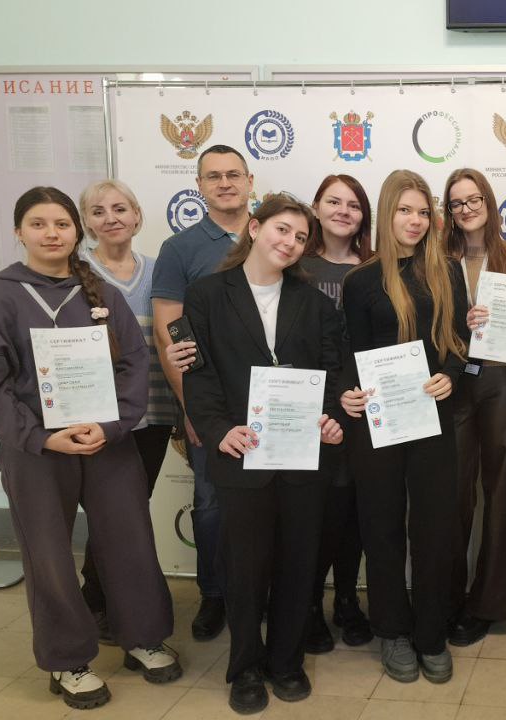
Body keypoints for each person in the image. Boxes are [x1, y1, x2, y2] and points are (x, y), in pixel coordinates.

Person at [0, 187, 180, 710]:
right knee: (49, 554)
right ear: (19, 232)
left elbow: (133, 362)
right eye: (38, 224)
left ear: (75, 232)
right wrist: (41, 437)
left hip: (105, 441)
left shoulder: (100, 293)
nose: (51, 234)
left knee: (129, 541)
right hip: (37, 450)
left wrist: (111, 426)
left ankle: (142, 637)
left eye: (61, 224)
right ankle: (67, 660)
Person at [182, 194, 347, 715]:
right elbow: (199, 374)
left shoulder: (316, 304)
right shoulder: (207, 295)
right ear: (254, 228)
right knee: (246, 568)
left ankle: (286, 662)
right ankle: (246, 668)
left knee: (298, 564)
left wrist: (331, 418)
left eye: (300, 237)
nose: (290, 243)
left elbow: (333, 373)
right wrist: (216, 430)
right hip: (240, 452)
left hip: (301, 457)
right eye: (281, 230)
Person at [340, 169, 470, 684]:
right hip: (377, 420)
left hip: (432, 415)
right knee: (382, 526)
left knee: (435, 527)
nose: (414, 221)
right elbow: (350, 353)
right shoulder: (360, 280)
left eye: (422, 212)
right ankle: (392, 630)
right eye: (404, 211)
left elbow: (458, 342)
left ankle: (431, 633)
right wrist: (348, 391)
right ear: (386, 213)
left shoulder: (448, 272)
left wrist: (450, 375)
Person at [153, 144, 255, 641]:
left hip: (271, 399)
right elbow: (167, 334)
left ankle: (261, 591)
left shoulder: (272, 235)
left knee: (269, 504)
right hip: (209, 403)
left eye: (233, 174)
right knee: (211, 502)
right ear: (199, 186)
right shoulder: (180, 249)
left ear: (250, 181)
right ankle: (214, 594)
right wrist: (192, 408)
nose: (225, 183)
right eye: (213, 176)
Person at [77, 179, 178, 644]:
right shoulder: (77, 275)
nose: (111, 218)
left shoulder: (160, 272)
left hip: (154, 412)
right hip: (102, 417)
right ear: (86, 222)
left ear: (137, 215)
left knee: (132, 510)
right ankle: (96, 599)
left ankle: (109, 598)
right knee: (109, 513)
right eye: (98, 211)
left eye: (120, 208)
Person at [444, 168, 506, 647]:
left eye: (474, 199)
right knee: (453, 491)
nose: (466, 208)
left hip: (503, 378)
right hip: (452, 380)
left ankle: (487, 604)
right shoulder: (438, 258)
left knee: (501, 491)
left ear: (489, 202)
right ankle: (445, 596)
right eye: (457, 202)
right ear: (448, 211)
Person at [300, 174, 375, 654]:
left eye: (354, 204)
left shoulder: (374, 267)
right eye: (334, 202)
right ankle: (308, 602)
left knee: (353, 513)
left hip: (361, 410)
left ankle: (347, 599)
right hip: (308, 409)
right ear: (316, 207)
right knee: (316, 515)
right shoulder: (297, 265)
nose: (344, 211)